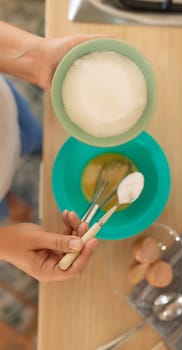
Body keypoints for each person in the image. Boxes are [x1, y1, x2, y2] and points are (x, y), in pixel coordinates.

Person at [0, 21, 105, 281]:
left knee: (35, 138)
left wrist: (37, 57)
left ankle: (35, 150)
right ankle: (9, 202)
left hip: (6, 116)